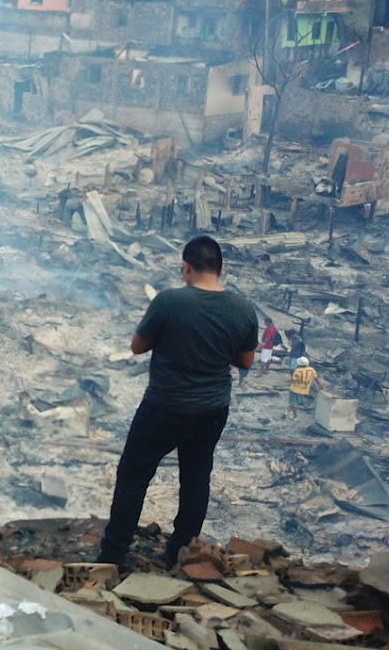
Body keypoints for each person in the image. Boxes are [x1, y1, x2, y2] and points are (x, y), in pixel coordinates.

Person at [96, 236, 257, 570]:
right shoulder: (243, 309)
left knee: (134, 475)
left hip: (164, 406)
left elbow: (138, 346)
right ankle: (180, 551)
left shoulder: (168, 302)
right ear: (221, 269)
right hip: (212, 410)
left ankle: (113, 554)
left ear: (186, 266)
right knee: (196, 476)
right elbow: (245, 362)